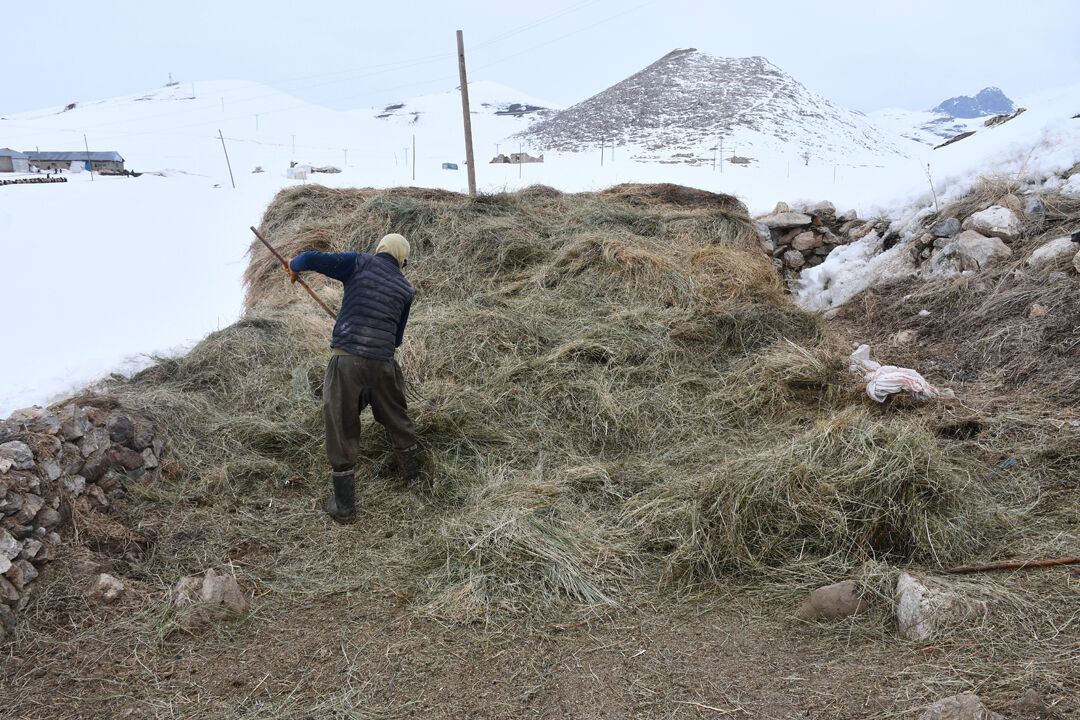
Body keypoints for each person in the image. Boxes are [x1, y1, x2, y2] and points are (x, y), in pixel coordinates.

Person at [286, 233, 418, 522]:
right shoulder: (405, 289)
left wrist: (293, 266)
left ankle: (344, 507)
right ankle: (415, 482)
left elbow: (309, 258)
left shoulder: (358, 262)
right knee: (398, 419)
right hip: (383, 364)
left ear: (380, 249)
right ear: (401, 260)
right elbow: (395, 339)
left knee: (341, 425)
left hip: (347, 361)